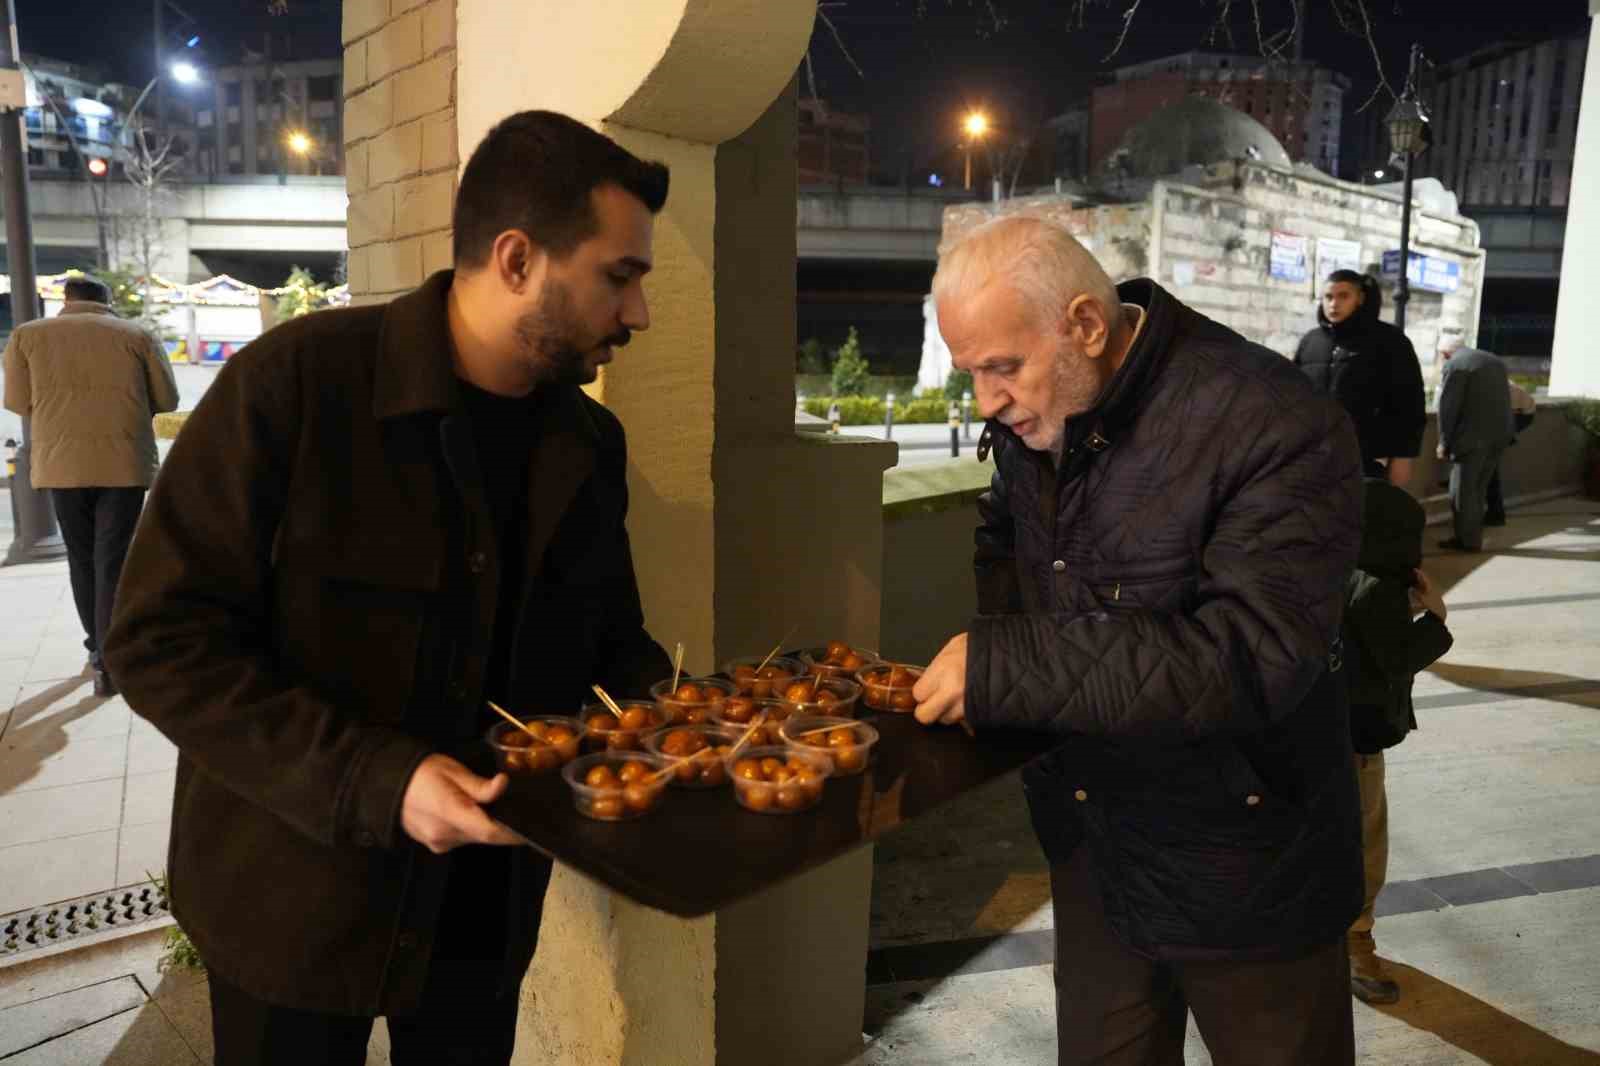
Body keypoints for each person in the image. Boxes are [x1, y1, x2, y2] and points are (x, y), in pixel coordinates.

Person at [103, 111, 672, 1065]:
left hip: (480, 918)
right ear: (518, 258)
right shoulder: (290, 388)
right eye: (622, 276)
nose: (639, 314)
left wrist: (667, 712)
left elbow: (610, 639)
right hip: (288, 901)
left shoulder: (588, 444)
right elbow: (158, 643)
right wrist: (381, 778)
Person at [914, 216, 1364, 1066]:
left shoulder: (1275, 420)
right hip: (1094, 842)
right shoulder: (1043, 414)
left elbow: (1251, 655)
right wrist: (1013, 691)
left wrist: (1013, 667)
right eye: (971, 374)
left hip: (1246, 864)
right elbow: (1004, 538)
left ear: (1086, 324)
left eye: (1003, 369)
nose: (986, 402)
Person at [2, 276, 179, 697]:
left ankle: (97, 650)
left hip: (62, 465)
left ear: (66, 300)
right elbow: (167, 399)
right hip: (122, 462)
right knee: (113, 560)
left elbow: (17, 401)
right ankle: (109, 659)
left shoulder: (27, 336)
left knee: (81, 557)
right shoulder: (137, 335)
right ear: (107, 301)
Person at [1340, 478, 1453, 1005]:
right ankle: (1356, 945)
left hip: (1305, 734)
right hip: (1357, 743)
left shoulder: (1322, 570)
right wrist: (1437, 620)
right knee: (1365, 844)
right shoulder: (1378, 586)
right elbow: (1389, 661)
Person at [1294, 269, 1425, 487]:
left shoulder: (1390, 341)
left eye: (1343, 296)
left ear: (1360, 298)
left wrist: (1403, 456)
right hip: (1313, 456)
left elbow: (1409, 402)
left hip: (1367, 457)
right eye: (1328, 297)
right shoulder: (1311, 341)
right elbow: (1294, 396)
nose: (1334, 304)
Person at [1435, 339, 1513, 552]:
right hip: (1499, 436)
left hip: (1471, 440)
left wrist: (1443, 441)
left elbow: (1448, 407)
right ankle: (1473, 537)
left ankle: (1467, 542)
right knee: (1479, 490)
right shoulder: (1493, 361)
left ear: (1445, 354)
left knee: (1462, 491)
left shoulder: (1456, 365)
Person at [1484, 378, 1537, 527]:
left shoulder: (1489, 385)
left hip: (1521, 413)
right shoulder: (1489, 376)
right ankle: (1495, 513)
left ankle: (1495, 514)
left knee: (1490, 464)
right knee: (1490, 463)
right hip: (1517, 412)